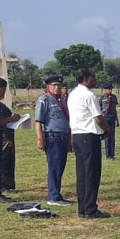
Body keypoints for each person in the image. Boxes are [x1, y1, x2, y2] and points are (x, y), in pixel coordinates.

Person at [68, 68, 112, 218]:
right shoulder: (89, 95)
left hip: (77, 135)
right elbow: (98, 117)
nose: (95, 80)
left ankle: (82, 208)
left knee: (82, 174)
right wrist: (107, 130)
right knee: (92, 173)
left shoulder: (73, 94)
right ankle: (90, 209)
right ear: (86, 78)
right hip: (89, 135)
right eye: (93, 77)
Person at [35, 75, 73, 206]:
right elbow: (38, 121)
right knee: (55, 167)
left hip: (63, 136)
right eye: (54, 85)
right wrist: (40, 138)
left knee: (60, 166)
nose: (57, 88)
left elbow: (66, 120)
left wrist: (69, 140)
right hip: (52, 136)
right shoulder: (44, 100)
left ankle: (56, 194)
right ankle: (53, 197)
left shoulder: (62, 100)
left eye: (59, 85)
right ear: (48, 86)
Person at [0, 92, 17, 192]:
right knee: (4, 160)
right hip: (3, 135)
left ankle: (8, 184)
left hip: (8, 133)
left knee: (9, 160)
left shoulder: (0, 104)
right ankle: (3, 185)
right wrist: (13, 118)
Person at [99, 82, 118, 160]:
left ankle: (112, 154)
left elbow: (115, 109)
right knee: (107, 137)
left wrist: (117, 120)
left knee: (112, 137)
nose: (110, 90)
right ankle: (108, 154)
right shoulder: (102, 98)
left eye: (111, 89)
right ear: (104, 90)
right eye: (108, 89)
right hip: (105, 118)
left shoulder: (114, 97)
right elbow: (100, 109)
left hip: (112, 117)